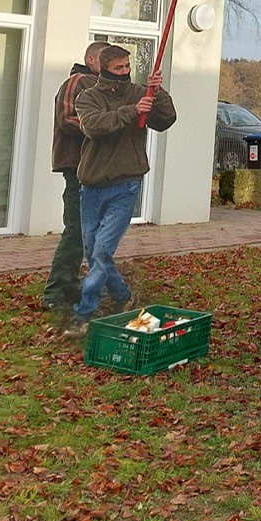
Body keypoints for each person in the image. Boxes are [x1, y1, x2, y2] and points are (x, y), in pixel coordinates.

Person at [62, 45, 176, 338]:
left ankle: (83, 313)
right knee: (93, 251)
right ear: (103, 69)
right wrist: (130, 111)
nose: (125, 72)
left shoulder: (141, 92)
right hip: (92, 184)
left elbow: (166, 120)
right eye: (118, 69)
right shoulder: (88, 97)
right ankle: (123, 295)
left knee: (101, 250)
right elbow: (94, 126)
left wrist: (156, 93)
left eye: (127, 67)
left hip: (127, 184)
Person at [42, 42, 110, 311]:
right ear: (91, 59)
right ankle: (54, 293)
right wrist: (104, 128)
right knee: (75, 230)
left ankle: (70, 287)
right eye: (105, 60)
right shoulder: (77, 81)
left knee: (86, 232)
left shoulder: (98, 86)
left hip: (93, 169)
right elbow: (69, 118)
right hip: (77, 166)